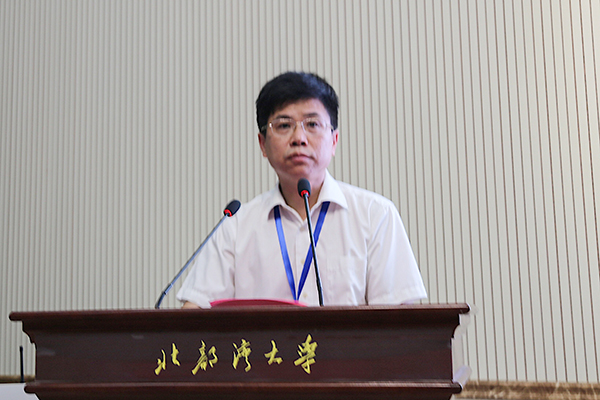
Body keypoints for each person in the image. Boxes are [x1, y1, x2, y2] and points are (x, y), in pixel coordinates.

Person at [177, 71, 426, 308]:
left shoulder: (375, 215)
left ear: (334, 141)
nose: (299, 138)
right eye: (284, 125)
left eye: (312, 124)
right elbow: (195, 311)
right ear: (263, 144)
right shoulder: (236, 226)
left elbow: (398, 323)